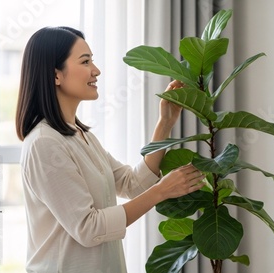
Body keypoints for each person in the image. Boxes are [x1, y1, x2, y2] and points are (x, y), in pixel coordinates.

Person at [15, 26, 205, 273]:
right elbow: (88, 227)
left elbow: (133, 184)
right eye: (85, 61)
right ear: (56, 75)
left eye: (92, 60)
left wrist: (165, 123)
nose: (96, 70)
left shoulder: (81, 136)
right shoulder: (44, 144)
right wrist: (162, 191)